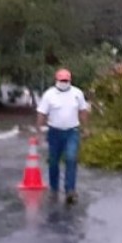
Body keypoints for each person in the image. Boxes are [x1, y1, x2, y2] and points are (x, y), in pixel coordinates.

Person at [36, 68, 90, 204]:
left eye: (66, 80)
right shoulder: (49, 95)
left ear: (70, 80)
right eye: (62, 80)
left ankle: (70, 190)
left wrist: (86, 128)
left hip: (72, 131)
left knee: (71, 158)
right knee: (54, 161)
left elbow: (83, 111)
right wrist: (39, 132)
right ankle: (54, 188)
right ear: (57, 80)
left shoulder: (77, 93)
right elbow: (42, 113)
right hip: (54, 132)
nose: (64, 83)